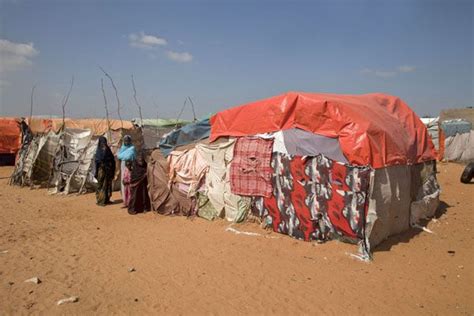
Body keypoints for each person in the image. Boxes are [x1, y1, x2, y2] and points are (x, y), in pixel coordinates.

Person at [94, 136, 116, 206]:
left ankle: (107, 199)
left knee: (107, 185)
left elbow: (113, 160)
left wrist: (112, 170)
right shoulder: (99, 151)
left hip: (108, 170)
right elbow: (97, 162)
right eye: (102, 142)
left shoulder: (108, 150)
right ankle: (100, 201)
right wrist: (96, 172)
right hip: (101, 171)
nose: (103, 144)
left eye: (104, 142)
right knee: (101, 185)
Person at [117, 135, 136, 207]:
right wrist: (123, 157)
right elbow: (119, 156)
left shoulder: (132, 148)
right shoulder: (122, 148)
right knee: (123, 182)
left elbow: (128, 156)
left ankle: (131, 200)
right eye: (125, 141)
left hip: (130, 167)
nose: (126, 142)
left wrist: (123, 157)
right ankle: (125, 200)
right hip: (123, 166)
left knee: (130, 182)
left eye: (128, 141)